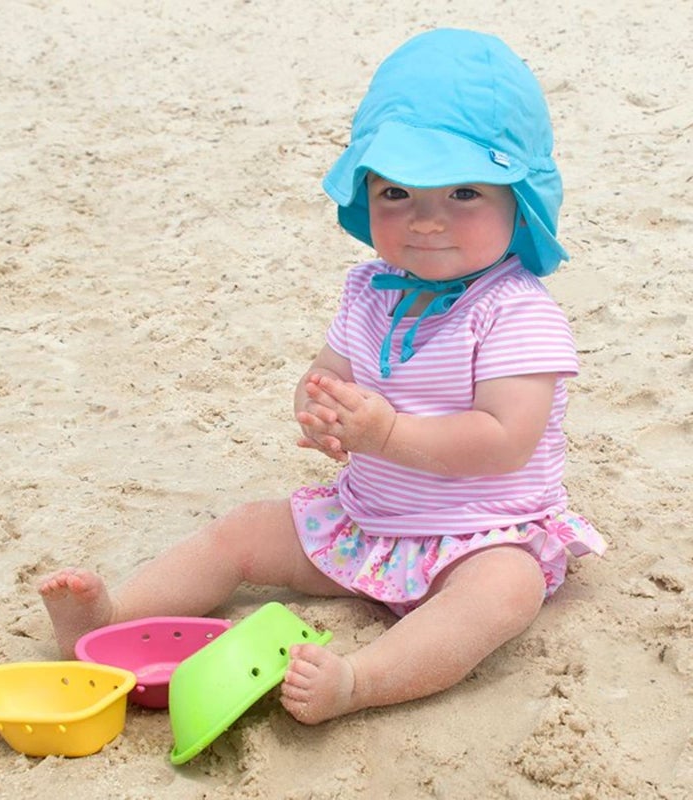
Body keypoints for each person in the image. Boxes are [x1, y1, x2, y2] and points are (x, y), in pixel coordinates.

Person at [39, 28, 606, 725]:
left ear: (520, 202)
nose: (427, 220)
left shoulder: (516, 311)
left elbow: (505, 439)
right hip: (366, 520)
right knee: (243, 531)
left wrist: (389, 432)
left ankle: (357, 682)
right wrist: (318, 408)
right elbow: (328, 371)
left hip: (482, 533)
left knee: (504, 594)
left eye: (463, 192)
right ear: (365, 195)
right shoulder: (369, 289)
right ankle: (114, 617)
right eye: (397, 192)